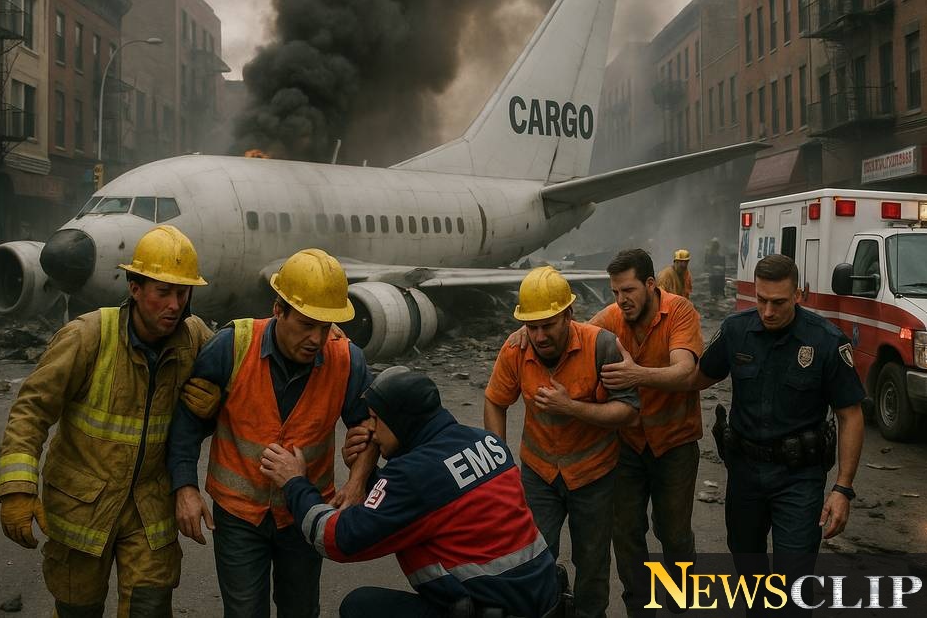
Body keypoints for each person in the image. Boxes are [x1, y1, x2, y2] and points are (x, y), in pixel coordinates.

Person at [0, 225, 217, 617]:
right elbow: (31, 410)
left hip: (149, 509)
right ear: (134, 287)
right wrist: (17, 487)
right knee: (77, 609)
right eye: (162, 292)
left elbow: (239, 375)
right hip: (83, 507)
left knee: (149, 608)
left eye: (182, 293)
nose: (174, 305)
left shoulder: (195, 339)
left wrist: (214, 408)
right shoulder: (88, 336)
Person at [167, 248, 379, 618]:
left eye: (325, 326)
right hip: (238, 516)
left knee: (301, 610)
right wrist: (185, 486)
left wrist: (359, 481)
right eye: (306, 324)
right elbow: (188, 421)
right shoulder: (232, 346)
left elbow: (370, 429)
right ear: (278, 310)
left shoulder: (346, 359)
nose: (316, 338)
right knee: (245, 612)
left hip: (305, 513)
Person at [262, 367, 562, 618]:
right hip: (543, 600)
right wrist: (370, 479)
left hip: (496, 610)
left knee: (360, 606)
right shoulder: (487, 442)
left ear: (400, 421)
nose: (373, 432)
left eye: (377, 420)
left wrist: (295, 483)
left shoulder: (415, 475)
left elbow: (336, 540)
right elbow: (424, 503)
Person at [690, 254, 864, 605]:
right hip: (745, 473)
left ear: (799, 294)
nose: (768, 311)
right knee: (747, 565)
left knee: (794, 578)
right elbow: (695, 378)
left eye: (779, 302)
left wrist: (843, 488)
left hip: (799, 478)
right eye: (761, 300)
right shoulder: (736, 330)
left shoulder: (826, 342)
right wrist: (641, 376)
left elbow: (850, 416)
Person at [484, 265, 640, 618]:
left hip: (594, 475)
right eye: (532, 326)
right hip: (538, 474)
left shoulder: (600, 346)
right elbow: (495, 400)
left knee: (592, 562)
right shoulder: (515, 349)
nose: (539, 336)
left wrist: (572, 407)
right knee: (532, 557)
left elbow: (629, 412)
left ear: (569, 314)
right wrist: (499, 465)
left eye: (548, 325)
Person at [589, 249, 704, 618]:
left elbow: (685, 372)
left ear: (651, 285)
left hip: (675, 442)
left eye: (629, 291)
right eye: (615, 293)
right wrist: (527, 336)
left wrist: (635, 374)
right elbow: (575, 339)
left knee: (673, 533)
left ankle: (680, 593)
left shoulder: (680, 312)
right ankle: (640, 607)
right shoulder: (609, 318)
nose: (621, 301)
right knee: (625, 531)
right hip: (627, 445)